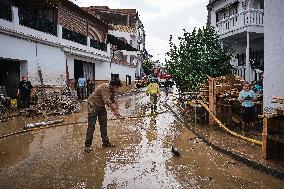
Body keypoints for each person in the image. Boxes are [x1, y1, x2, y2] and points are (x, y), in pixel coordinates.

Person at [84, 79, 123, 153]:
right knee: (91, 125)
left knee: (104, 124)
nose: (117, 89)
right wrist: (115, 111)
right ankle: (87, 146)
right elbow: (107, 102)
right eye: (117, 87)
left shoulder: (112, 90)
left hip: (101, 106)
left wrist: (116, 110)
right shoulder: (105, 87)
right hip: (92, 105)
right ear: (114, 85)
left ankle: (105, 142)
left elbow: (112, 101)